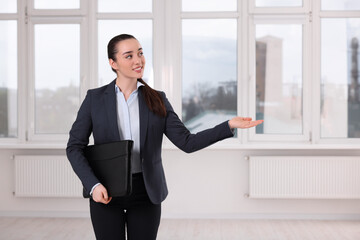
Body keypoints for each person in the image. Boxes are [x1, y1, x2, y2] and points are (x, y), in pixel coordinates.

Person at [66, 34, 263, 240]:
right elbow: (74, 147)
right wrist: (93, 185)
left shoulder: (157, 99)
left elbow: (187, 142)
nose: (138, 60)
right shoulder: (94, 99)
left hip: (146, 191)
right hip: (105, 189)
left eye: (140, 53)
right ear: (113, 63)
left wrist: (228, 125)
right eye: (129, 56)